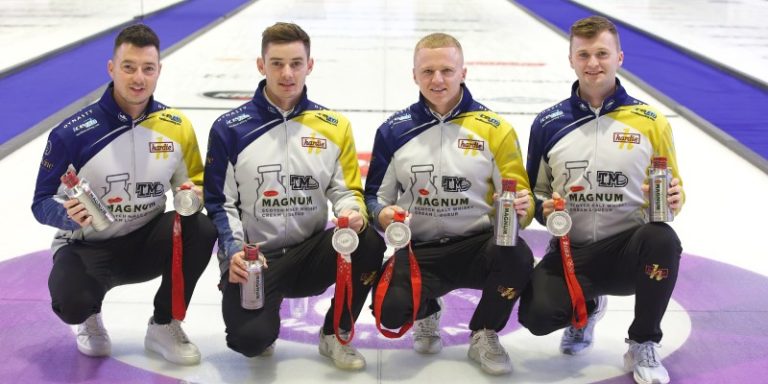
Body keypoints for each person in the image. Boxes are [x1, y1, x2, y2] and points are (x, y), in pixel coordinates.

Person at [31, 24, 216, 365]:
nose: (138, 78)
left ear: (159, 71)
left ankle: (164, 324)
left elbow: (197, 184)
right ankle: (89, 314)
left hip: (146, 241)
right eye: (128, 67)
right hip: (88, 247)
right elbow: (40, 203)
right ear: (111, 68)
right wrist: (65, 214)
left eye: (148, 69)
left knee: (201, 229)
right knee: (71, 303)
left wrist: (193, 194)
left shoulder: (176, 126)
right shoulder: (72, 133)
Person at [204, 22, 384, 371]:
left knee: (368, 242)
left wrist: (352, 212)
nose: (287, 73)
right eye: (277, 63)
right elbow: (217, 202)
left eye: (296, 63)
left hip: (310, 253)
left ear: (309, 65)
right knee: (250, 341)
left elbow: (345, 188)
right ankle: (259, 319)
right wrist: (234, 252)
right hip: (256, 260)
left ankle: (335, 332)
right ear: (261, 65)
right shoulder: (230, 128)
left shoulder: (333, 125)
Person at [518, 15, 684, 384]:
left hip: (629, 249)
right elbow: (533, 192)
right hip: (571, 250)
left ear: (619, 58)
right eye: (584, 54)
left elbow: (675, 187)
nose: (593, 63)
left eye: (602, 53)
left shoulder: (650, 121)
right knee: (536, 315)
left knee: (663, 239)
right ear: (572, 60)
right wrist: (544, 211)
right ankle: (587, 307)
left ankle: (642, 340)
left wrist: (673, 197)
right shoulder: (548, 123)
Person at [364, 32, 535, 376]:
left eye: (446, 70)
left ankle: (484, 331)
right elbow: (373, 198)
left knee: (518, 256)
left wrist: (523, 208)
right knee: (391, 311)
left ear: (463, 72)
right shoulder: (392, 132)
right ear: (414, 75)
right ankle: (427, 311)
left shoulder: (496, 130)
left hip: (479, 246)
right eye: (427, 71)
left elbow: (524, 199)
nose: (437, 79)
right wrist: (383, 214)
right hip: (419, 250)